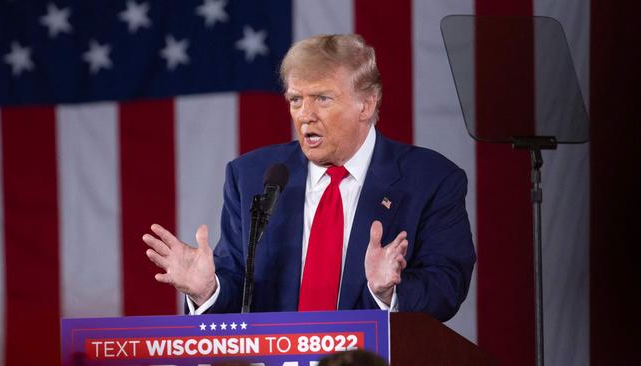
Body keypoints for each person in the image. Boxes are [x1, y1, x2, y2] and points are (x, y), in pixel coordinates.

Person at [142, 34, 475, 321]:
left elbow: (447, 286)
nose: (305, 115)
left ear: (366, 104)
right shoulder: (252, 176)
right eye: (296, 100)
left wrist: (387, 292)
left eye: (322, 99)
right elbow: (237, 287)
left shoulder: (430, 179)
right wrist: (207, 291)